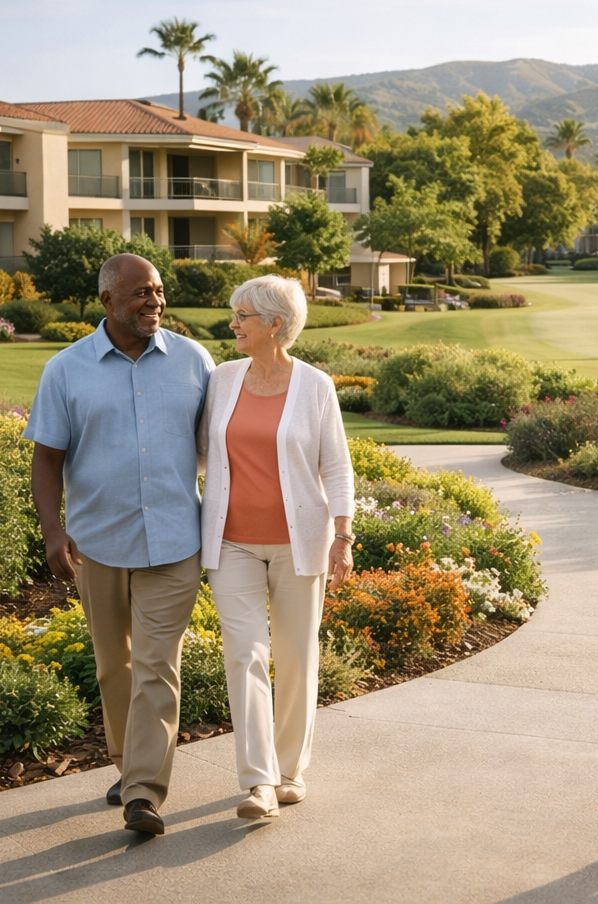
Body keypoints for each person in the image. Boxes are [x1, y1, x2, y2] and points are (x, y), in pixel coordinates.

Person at [26, 253, 215, 837]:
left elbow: (223, 447)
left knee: (157, 665)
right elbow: (47, 458)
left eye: (157, 291)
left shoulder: (194, 361)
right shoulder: (65, 369)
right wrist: (53, 530)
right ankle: (127, 761)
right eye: (138, 293)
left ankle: (142, 793)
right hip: (99, 545)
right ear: (107, 301)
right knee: (116, 668)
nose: (153, 301)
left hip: (176, 542)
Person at [200, 275, 356, 819]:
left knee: (295, 657)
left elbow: (335, 466)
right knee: (245, 653)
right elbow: (200, 453)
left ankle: (290, 771)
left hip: (300, 543)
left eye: (243, 314)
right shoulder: (221, 379)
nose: (233, 323)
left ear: (276, 325)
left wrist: (343, 535)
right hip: (232, 543)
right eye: (234, 312)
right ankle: (259, 783)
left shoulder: (315, 386)